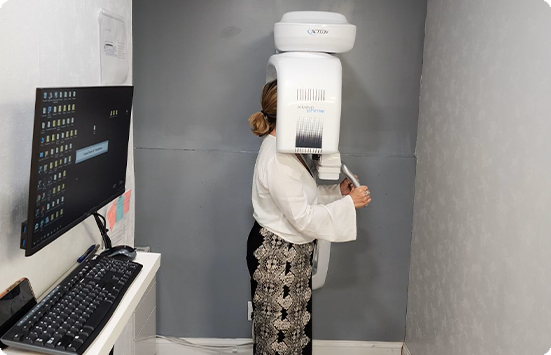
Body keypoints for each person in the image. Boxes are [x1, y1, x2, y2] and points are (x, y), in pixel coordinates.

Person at [246, 80, 371, 355]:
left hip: (289, 253)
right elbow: (302, 217)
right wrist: (349, 204)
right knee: (279, 341)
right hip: (277, 258)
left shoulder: (286, 147)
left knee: (293, 335)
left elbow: (300, 196)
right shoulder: (278, 158)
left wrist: (337, 192)